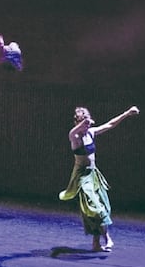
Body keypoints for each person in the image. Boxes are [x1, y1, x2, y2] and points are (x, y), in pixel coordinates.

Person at [60, 105, 140, 252]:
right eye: (82, 121)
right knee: (95, 209)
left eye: (87, 121)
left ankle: (99, 243)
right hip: (82, 178)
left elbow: (110, 124)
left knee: (103, 206)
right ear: (77, 122)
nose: (86, 124)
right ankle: (105, 239)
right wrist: (81, 124)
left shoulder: (91, 132)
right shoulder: (75, 138)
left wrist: (127, 113)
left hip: (94, 175)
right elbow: (71, 132)